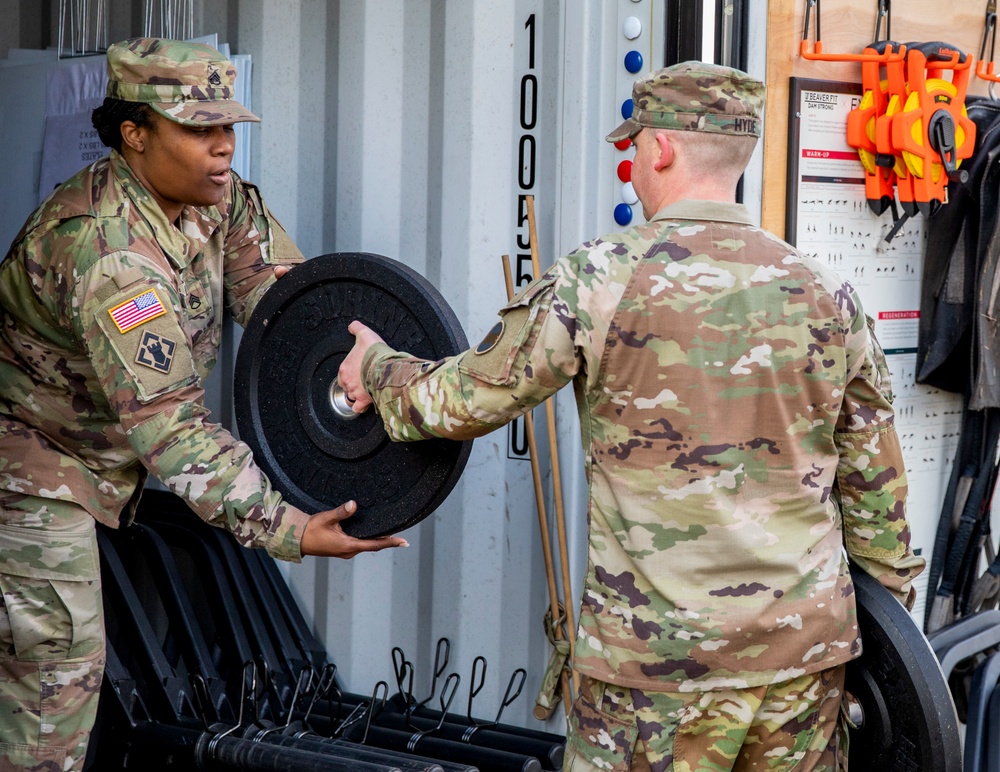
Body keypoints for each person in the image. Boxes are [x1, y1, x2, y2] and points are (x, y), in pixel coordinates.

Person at [338, 61, 925, 771]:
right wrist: (886, 649)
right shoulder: (830, 294)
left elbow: (464, 400)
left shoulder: (599, 277)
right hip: (799, 670)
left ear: (662, 149)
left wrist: (376, 367)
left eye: (635, 146)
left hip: (653, 682)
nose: (632, 166)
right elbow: (878, 501)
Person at [0, 38, 405, 771]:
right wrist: (290, 528)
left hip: (99, 457)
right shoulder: (110, 256)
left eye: (229, 129)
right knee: (56, 671)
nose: (223, 149)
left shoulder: (220, 202)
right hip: (32, 462)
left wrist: (364, 361)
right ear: (135, 133)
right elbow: (174, 430)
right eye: (199, 130)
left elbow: (291, 314)